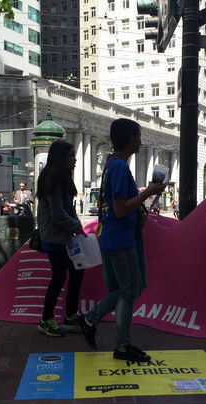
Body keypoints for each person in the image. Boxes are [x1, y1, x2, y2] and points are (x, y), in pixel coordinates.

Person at [79, 118, 165, 362]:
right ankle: (103, 329)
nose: (140, 141)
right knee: (130, 289)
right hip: (119, 238)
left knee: (123, 290)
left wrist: (141, 205)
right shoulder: (118, 167)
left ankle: (115, 338)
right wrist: (148, 192)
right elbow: (119, 209)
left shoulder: (113, 164)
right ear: (130, 139)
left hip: (113, 236)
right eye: (138, 136)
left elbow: (119, 205)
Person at [36, 140, 86, 337]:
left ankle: (70, 314)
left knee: (76, 271)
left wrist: (76, 225)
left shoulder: (62, 177)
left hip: (62, 235)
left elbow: (68, 209)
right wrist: (76, 227)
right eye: (71, 155)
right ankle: (46, 320)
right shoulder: (53, 178)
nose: (75, 159)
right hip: (54, 237)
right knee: (59, 277)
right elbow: (57, 214)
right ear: (61, 157)